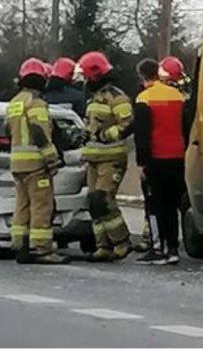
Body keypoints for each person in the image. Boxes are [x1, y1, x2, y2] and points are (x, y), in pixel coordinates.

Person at [5, 58, 70, 265]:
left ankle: (21, 246)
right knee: (42, 206)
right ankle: (42, 250)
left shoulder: (14, 102)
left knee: (22, 205)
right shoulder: (37, 103)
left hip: (17, 163)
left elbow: (7, 130)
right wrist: (51, 157)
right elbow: (38, 130)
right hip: (36, 164)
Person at [78, 51, 133, 262]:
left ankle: (122, 242)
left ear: (95, 73)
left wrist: (105, 135)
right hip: (93, 159)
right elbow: (90, 123)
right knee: (93, 202)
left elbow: (127, 124)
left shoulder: (116, 97)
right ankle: (103, 246)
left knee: (104, 200)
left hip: (111, 158)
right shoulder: (94, 98)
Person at [133, 58, 186, 265]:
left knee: (154, 205)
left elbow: (142, 135)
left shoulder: (144, 99)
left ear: (142, 75)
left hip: (155, 159)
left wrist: (141, 163)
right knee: (171, 206)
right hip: (177, 158)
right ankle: (173, 248)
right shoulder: (178, 96)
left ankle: (158, 248)